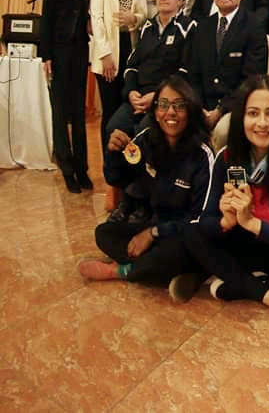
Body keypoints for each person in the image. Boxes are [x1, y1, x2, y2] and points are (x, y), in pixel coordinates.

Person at [177, 75, 269, 323]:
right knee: (192, 233)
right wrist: (225, 222)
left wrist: (252, 223)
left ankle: (237, 284)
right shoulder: (226, 157)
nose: (262, 123)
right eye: (253, 113)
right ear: (240, 117)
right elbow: (205, 222)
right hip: (245, 247)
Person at [77, 76, 211, 293]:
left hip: (185, 235)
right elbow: (117, 179)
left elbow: (199, 219)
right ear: (155, 111)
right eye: (163, 105)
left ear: (190, 111)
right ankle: (170, 271)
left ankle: (122, 271)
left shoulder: (203, 155)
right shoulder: (147, 139)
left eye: (179, 106)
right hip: (155, 226)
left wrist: (153, 233)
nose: (170, 112)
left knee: (180, 250)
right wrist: (114, 154)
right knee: (104, 233)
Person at [183, 0, 269, 149]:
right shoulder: (203, 27)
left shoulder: (254, 27)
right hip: (202, 105)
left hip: (236, 106)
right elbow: (194, 74)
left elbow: (251, 80)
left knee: (222, 132)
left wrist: (220, 110)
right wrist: (200, 108)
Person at [105, 0, 195, 140]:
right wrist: (131, 92)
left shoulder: (188, 27)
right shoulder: (147, 28)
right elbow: (132, 66)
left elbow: (186, 71)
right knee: (113, 129)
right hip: (138, 99)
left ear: (181, 0)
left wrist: (158, 97)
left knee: (143, 133)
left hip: (166, 101)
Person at [41, 0, 96, 194]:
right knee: (60, 111)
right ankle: (66, 167)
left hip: (80, 49)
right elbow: (47, 13)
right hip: (59, 48)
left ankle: (81, 166)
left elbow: (89, 12)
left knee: (78, 110)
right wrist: (46, 55)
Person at [90, 0, 147, 153]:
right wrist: (105, 53)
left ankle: (127, 160)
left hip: (129, 49)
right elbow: (96, 16)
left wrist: (134, 19)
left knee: (127, 110)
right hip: (107, 52)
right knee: (110, 110)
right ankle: (109, 161)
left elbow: (143, 14)